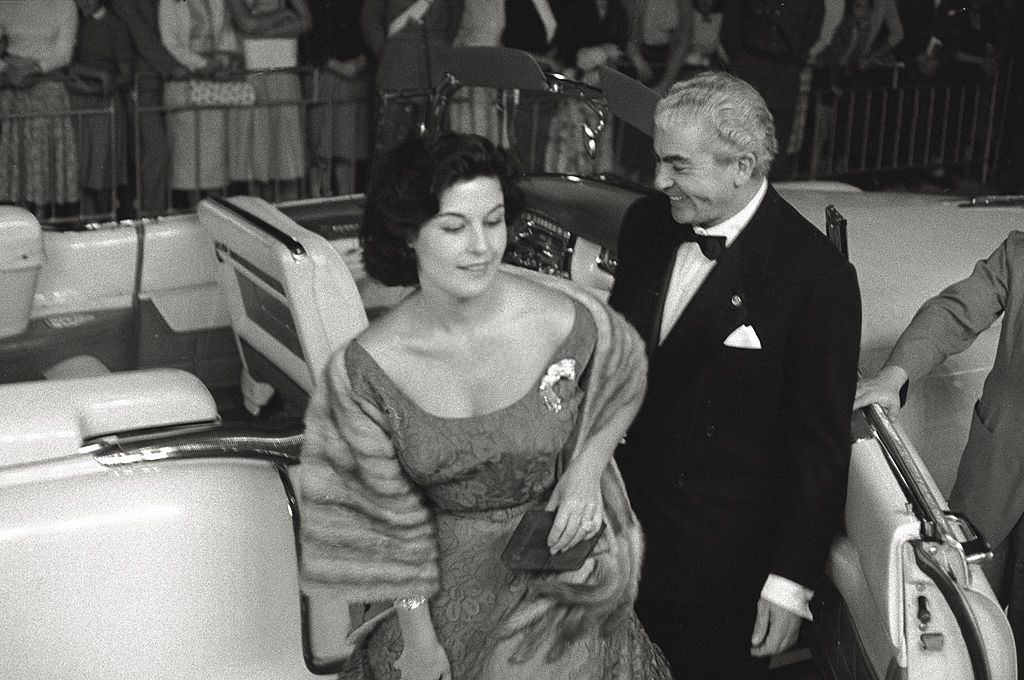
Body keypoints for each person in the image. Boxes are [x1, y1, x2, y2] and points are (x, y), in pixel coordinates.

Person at [297, 132, 673, 679]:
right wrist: (419, 643)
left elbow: (628, 372)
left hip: (555, 583)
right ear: (408, 236)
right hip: (436, 595)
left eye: (494, 221)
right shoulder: (367, 369)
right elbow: (382, 524)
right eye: (454, 227)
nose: (482, 247)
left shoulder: (563, 319)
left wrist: (588, 470)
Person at [608, 70, 861, 679]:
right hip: (617, 541)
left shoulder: (815, 277)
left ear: (742, 165)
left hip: (719, 569)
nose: (658, 180)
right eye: (658, 161)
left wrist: (789, 581)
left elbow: (819, 448)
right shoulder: (646, 225)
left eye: (678, 165)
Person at [854, 231, 1024, 671]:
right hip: (994, 478)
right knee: (952, 627)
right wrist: (895, 376)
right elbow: (953, 314)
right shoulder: (1019, 250)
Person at [0, 1, 79, 211]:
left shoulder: (64, 4)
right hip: (12, 85)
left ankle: (45, 216)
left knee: (43, 153)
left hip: (46, 84)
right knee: (15, 153)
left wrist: (34, 69)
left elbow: (64, 53)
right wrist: (8, 68)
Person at [70, 0, 135, 218]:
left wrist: (96, 87)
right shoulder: (73, 23)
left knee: (102, 173)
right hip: (77, 102)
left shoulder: (117, 26)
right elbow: (64, 62)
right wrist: (96, 77)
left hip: (105, 105)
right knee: (78, 170)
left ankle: (107, 224)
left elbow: (126, 75)